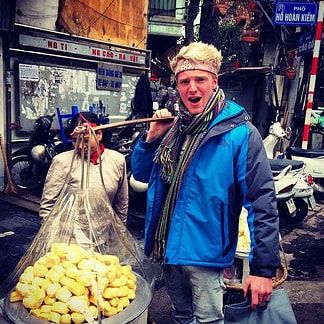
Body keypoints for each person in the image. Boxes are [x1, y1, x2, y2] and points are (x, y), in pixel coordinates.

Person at [131, 42, 280, 323]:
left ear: (214, 81)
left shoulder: (239, 133)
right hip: (169, 250)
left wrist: (262, 269)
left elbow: (262, 202)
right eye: (184, 81)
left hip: (207, 254)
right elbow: (140, 175)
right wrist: (150, 139)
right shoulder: (175, 129)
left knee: (209, 320)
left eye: (200, 79)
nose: (192, 88)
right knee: (181, 316)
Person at [39, 112, 128, 224]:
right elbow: (48, 205)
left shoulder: (117, 160)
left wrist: (120, 233)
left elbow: (121, 203)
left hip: (105, 234)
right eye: (75, 140)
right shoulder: (62, 162)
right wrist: (51, 237)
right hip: (70, 236)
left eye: (85, 140)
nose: (80, 146)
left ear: (99, 134)